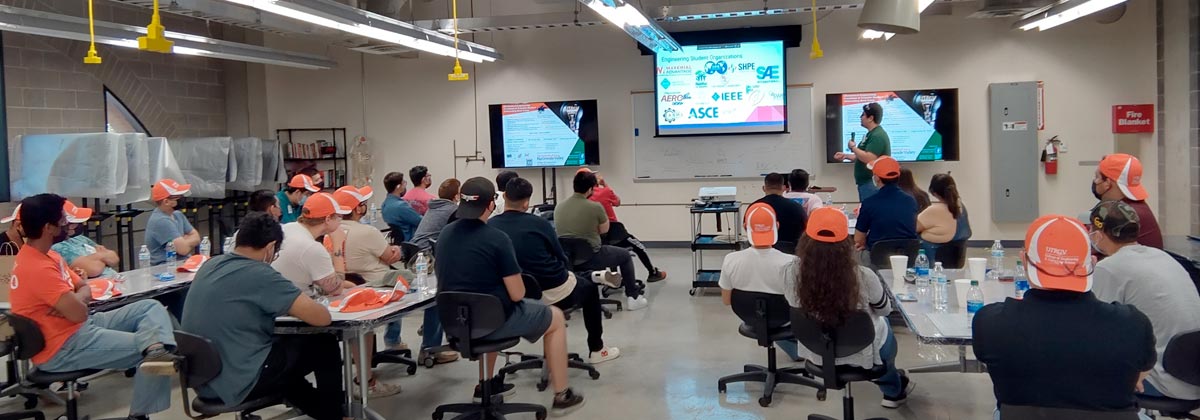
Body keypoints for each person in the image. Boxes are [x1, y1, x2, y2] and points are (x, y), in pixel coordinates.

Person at [9, 194, 177, 420]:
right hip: (63, 346)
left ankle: (156, 349)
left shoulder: (48, 255)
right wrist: (77, 300)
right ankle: (139, 412)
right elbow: (79, 313)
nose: (66, 224)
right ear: (48, 227)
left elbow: (83, 286)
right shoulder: (37, 268)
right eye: (61, 220)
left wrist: (76, 297)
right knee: (148, 353)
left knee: (150, 307)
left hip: (75, 327)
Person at [974, 214, 1156, 417]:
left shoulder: (990, 324)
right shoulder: (1134, 325)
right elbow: (1142, 370)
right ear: (1093, 264)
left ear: (1024, 261)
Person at [436, 177, 585, 415]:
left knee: (485, 313)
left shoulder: (445, 234)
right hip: (491, 320)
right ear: (490, 205)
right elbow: (517, 294)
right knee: (555, 317)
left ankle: (484, 386)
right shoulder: (496, 238)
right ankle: (562, 395)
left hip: (454, 321)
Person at [180, 213, 349, 420]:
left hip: (204, 380)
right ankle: (335, 416)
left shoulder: (211, 265)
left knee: (285, 362)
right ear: (270, 248)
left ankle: (323, 412)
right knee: (323, 343)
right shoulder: (261, 274)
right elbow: (321, 318)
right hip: (237, 380)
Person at [787, 206, 914, 408]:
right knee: (884, 325)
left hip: (816, 351)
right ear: (846, 241)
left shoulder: (790, 273)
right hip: (863, 352)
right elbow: (884, 310)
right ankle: (892, 390)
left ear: (805, 240)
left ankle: (891, 383)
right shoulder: (863, 275)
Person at [490, 177, 621, 364]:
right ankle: (597, 349)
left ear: (504, 195)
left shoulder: (491, 226)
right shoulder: (539, 224)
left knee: (576, 278)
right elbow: (560, 257)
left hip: (515, 294)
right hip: (552, 290)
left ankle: (589, 276)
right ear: (527, 202)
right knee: (590, 289)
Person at [1089, 201, 1200, 401]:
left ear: (1099, 233)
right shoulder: (1163, 257)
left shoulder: (1110, 268)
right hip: (1193, 376)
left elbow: (1094, 330)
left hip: (1163, 381)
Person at [333, 187, 457, 366]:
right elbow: (390, 256)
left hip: (348, 288)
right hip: (379, 287)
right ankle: (428, 348)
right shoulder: (367, 232)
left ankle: (393, 341)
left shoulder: (331, 233)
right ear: (357, 209)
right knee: (433, 295)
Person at [718, 203, 803, 361]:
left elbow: (726, 300)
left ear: (745, 227)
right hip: (784, 319)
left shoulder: (730, 260)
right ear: (777, 226)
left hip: (749, 317)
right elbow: (799, 303)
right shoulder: (793, 263)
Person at [555, 170, 648, 311]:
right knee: (625, 256)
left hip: (568, 259)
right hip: (591, 255)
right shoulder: (594, 207)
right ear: (590, 189)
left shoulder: (559, 207)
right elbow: (604, 230)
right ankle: (633, 297)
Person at [582, 168, 666, 282]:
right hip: (615, 231)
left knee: (610, 249)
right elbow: (617, 202)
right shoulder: (604, 191)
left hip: (596, 235)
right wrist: (604, 184)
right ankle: (653, 273)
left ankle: (614, 278)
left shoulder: (581, 199)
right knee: (639, 246)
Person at [272, 192, 351, 296]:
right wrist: (337, 245)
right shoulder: (312, 248)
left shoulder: (287, 227)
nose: (340, 221)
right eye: (339, 217)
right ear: (328, 219)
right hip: (294, 304)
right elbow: (336, 289)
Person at [1090, 154, 1163, 249]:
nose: (1094, 181)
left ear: (1107, 183)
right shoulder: (1133, 207)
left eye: (1097, 177)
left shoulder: (1124, 214)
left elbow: (1096, 247)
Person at [854, 157, 918, 255]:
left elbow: (858, 240)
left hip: (877, 258)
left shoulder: (869, 203)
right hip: (908, 257)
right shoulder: (911, 201)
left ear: (877, 178)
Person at [832, 102, 890, 201]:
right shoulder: (870, 134)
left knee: (870, 211)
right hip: (865, 182)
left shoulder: (877, 136)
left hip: (872, 182)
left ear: (871, 118)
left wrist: (853, 147)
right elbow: (860, 156)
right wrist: (845, 156)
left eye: (863, 114)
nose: (860, 117)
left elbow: (869, 158)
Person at [145, 178, 200, 265]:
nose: (182, 198)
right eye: (178, 196)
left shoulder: (178, 215)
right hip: (165, 268)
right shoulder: (161, 221)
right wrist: (186, 241)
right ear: (166, 202)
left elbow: (197, 237)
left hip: (183, 264)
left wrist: (184, 241)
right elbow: (183, 250)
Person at [917, 173, 968, 257]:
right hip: (955, 257)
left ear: (934, 192)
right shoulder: (961, 206)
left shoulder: (934, 210)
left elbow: (912, 228)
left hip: (930, 259)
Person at [753, 172, 808, 248]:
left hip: (762, 250)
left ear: (764, 188)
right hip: (791, 252)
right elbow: (804, 229)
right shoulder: (796, 207)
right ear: (784, 188)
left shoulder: (755, 208)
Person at [411, 178, 461, 250]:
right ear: (456, 196)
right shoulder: (453, 209)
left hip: (415, 247)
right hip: (427, 251)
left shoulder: (434, 206)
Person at [381, 171, 422, 242]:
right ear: (398, 186)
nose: (405, 185)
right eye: (404, 183)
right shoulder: (401, 206)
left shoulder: (385, 204)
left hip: (400, 241)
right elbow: (420, 221)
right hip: (411, 241)